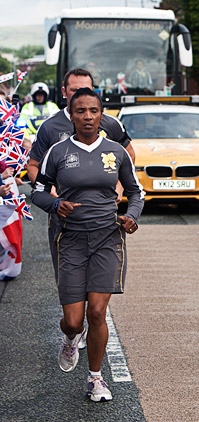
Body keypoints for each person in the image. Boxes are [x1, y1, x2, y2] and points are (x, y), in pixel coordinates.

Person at [30, 88, 144, 401]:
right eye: (80, 111)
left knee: (97, 313)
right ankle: (70, 339)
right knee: (73, 320)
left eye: (93, 110)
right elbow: (37, 192)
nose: (88, 117)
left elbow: (136, 192)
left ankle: (95, 379)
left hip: (107, 238)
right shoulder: (58, 151)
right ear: (72, 114)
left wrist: (131, 216)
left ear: (101, 113)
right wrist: (56, 206)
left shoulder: (116, 152)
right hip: (71, 240)